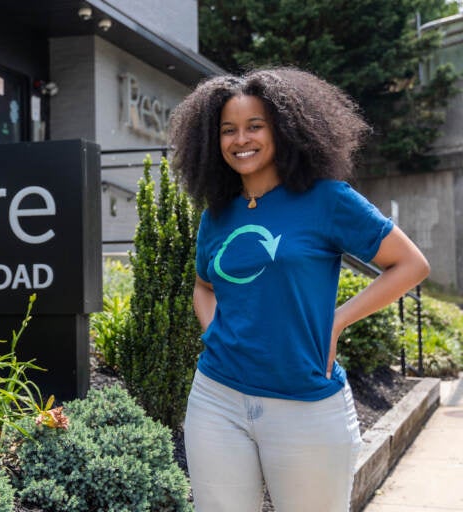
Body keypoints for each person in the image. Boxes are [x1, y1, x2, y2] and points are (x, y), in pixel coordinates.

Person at [168, 67, 430, 512]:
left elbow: (409, 265)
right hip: (217, 397)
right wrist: (216, 332)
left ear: (284, 130)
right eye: (228, 130)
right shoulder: (217, 215)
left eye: (255, 126)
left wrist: (335, 322)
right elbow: (203, 286)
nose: (240, 139)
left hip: (305, 403)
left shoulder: (327, 200)